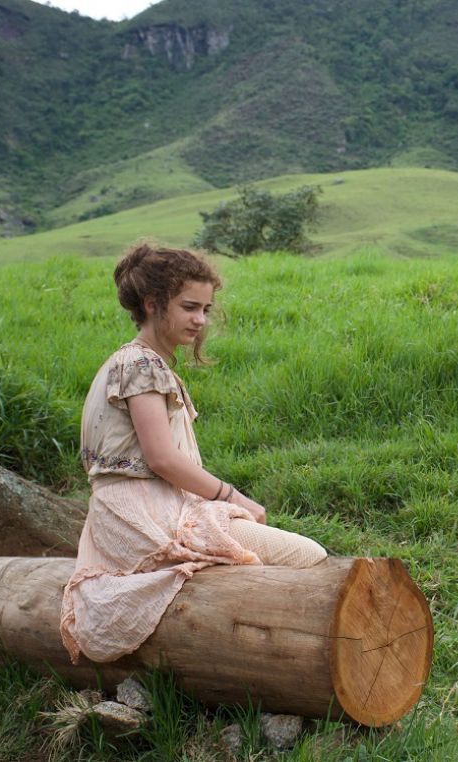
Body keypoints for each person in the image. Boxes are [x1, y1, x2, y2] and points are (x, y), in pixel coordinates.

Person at [60, 242, 326, 665]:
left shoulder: (139, 363)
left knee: (272, 559)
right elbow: (161, 458)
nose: (200, 320)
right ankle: (283, 662)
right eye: (189, 307)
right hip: (141, 513)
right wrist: (230, 497)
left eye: (205, 309)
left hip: (139, 508)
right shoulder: (141, 365)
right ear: (152, 305)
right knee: (305, 556)